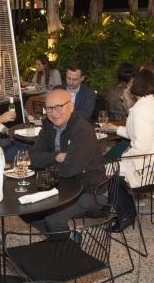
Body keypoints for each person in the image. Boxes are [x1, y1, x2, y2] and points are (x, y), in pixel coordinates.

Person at [26, 88, 106, 234]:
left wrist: (45, 165)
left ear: (71, 106)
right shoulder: (48, 125)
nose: (53, 113)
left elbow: (70, 169)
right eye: (49, 108)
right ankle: (65, 240)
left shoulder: (82, 130)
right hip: (62, 186)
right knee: (28, 212)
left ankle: (67, 245)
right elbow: (32, 157)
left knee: (53, 220)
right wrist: (56, 156)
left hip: (91, 191)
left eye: (58, 107)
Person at [103, 70, 154, 230]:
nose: (128, 87)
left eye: (131, 83)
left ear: (138, 85)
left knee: (106, 169)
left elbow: (141, 146)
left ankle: (126, 214)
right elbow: (141, 134)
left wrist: (123, 157)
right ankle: (122, 209)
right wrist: (116, 129)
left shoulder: (141, 110)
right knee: (112, 165)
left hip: (151, 168)